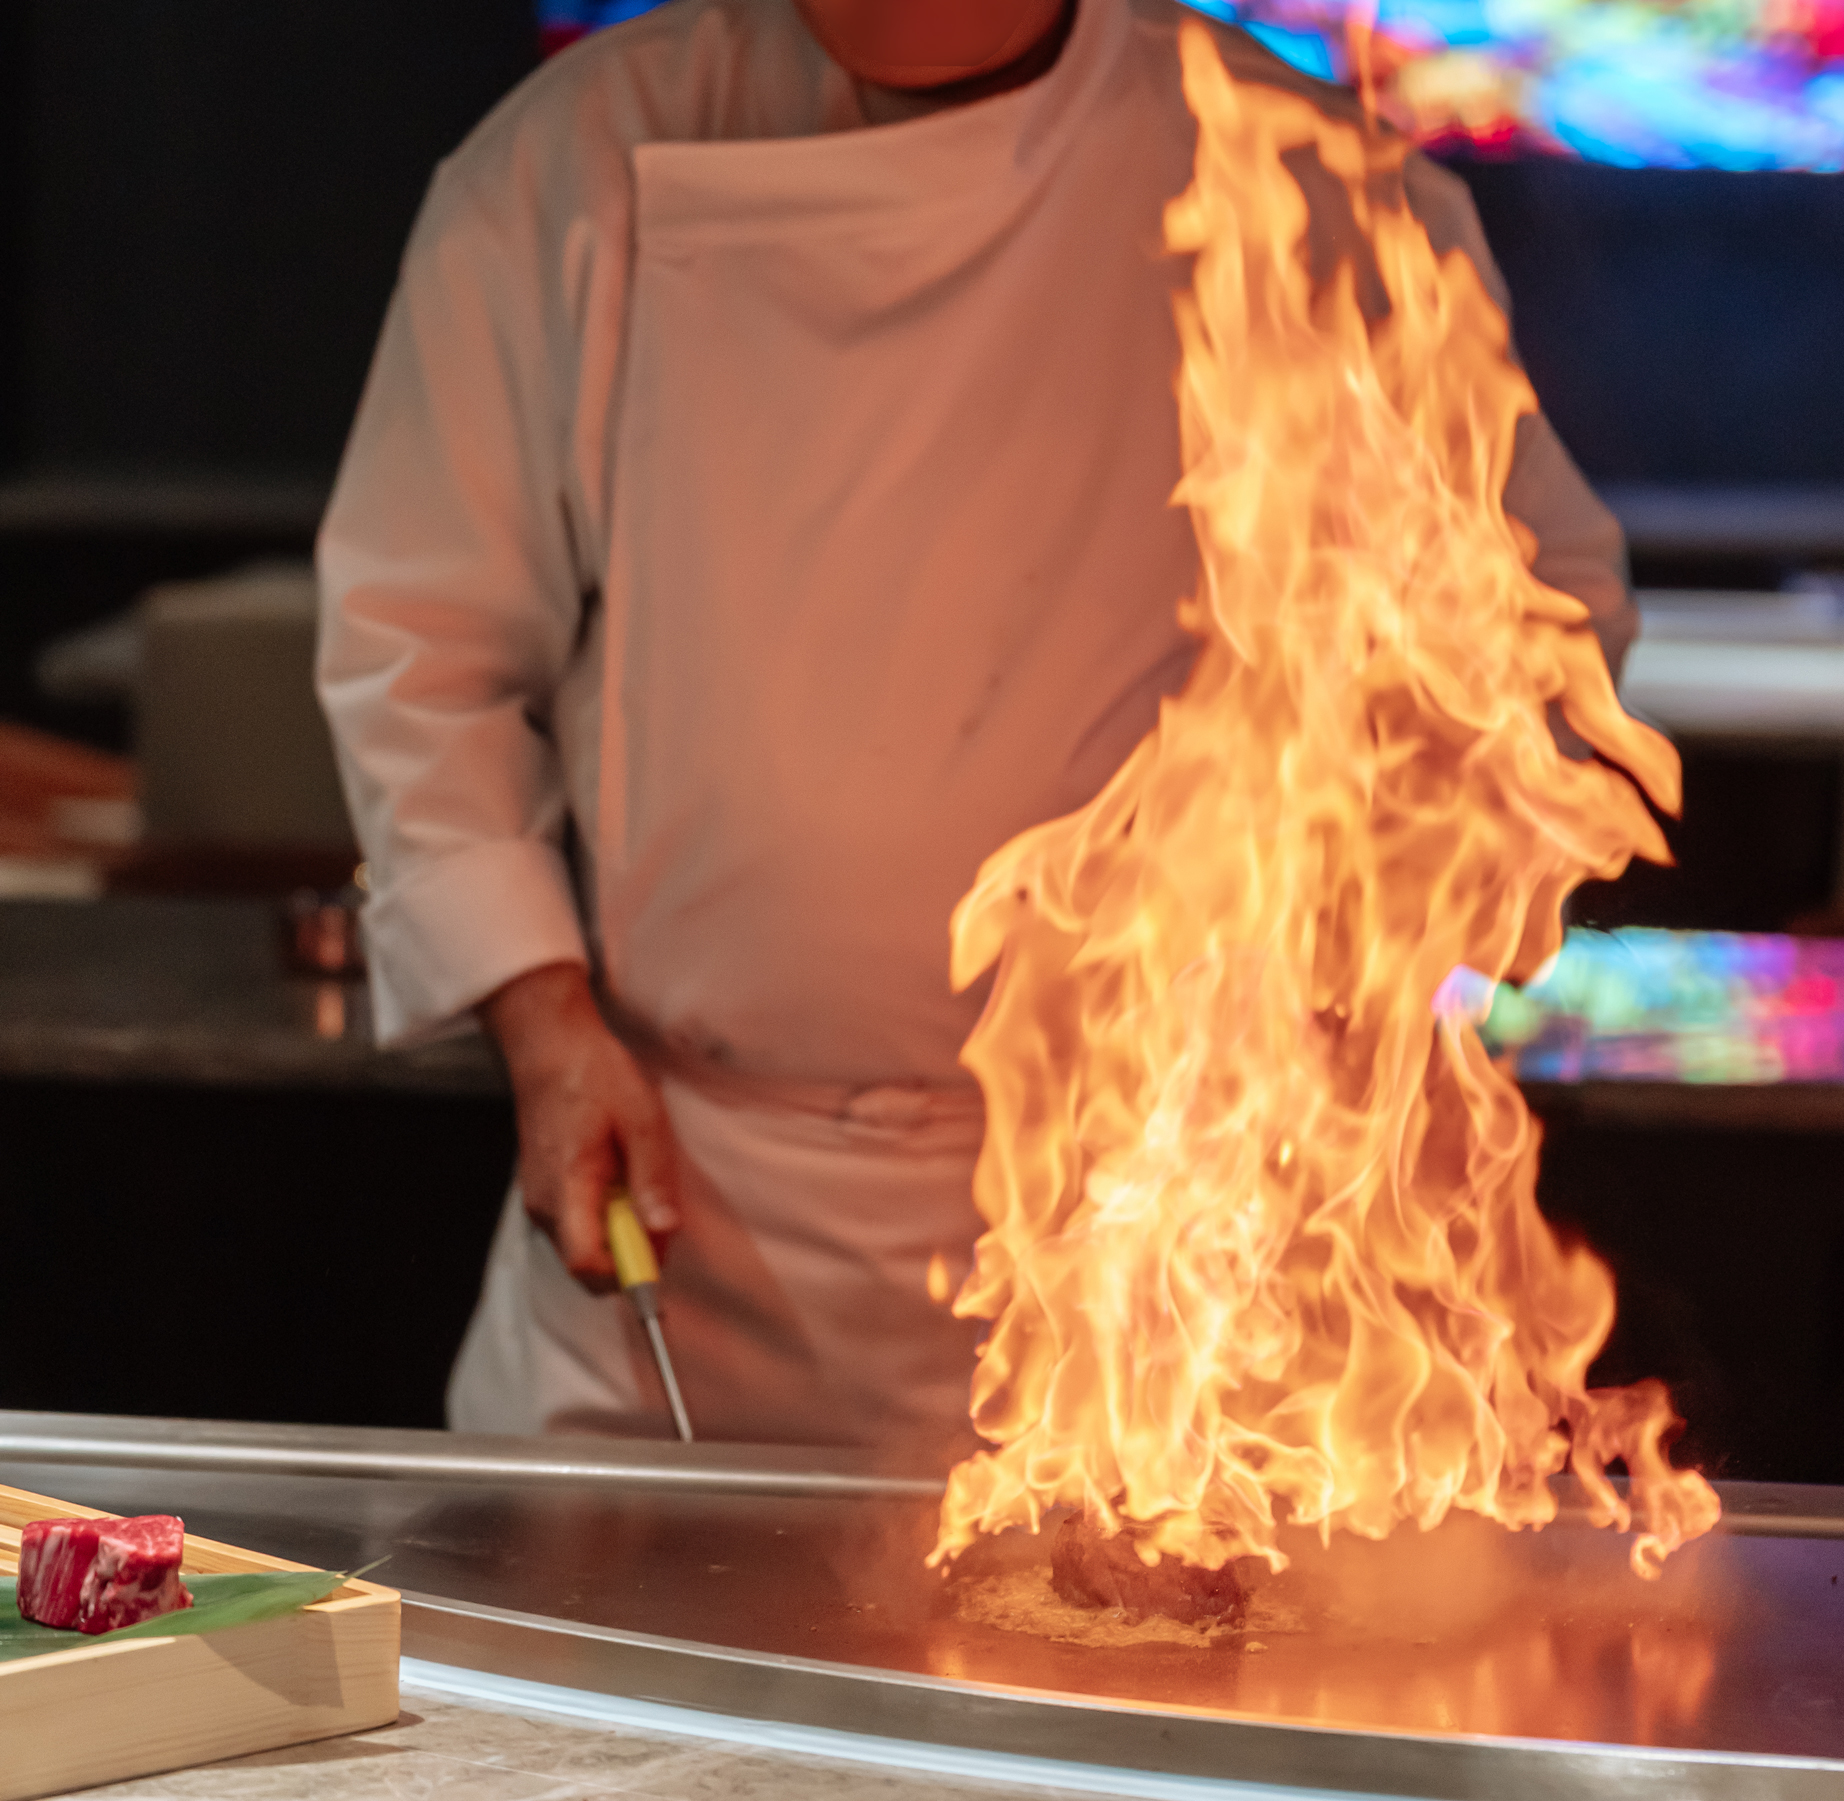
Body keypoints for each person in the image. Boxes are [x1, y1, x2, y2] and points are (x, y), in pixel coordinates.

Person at [317, 0, 1636, 1450]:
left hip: (1161, 1233)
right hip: (691, 1218)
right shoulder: (565, 164)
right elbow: (417, 642)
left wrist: (1367, 932)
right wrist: (542, 1019)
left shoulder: (1310, 183)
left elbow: (1533, 623)